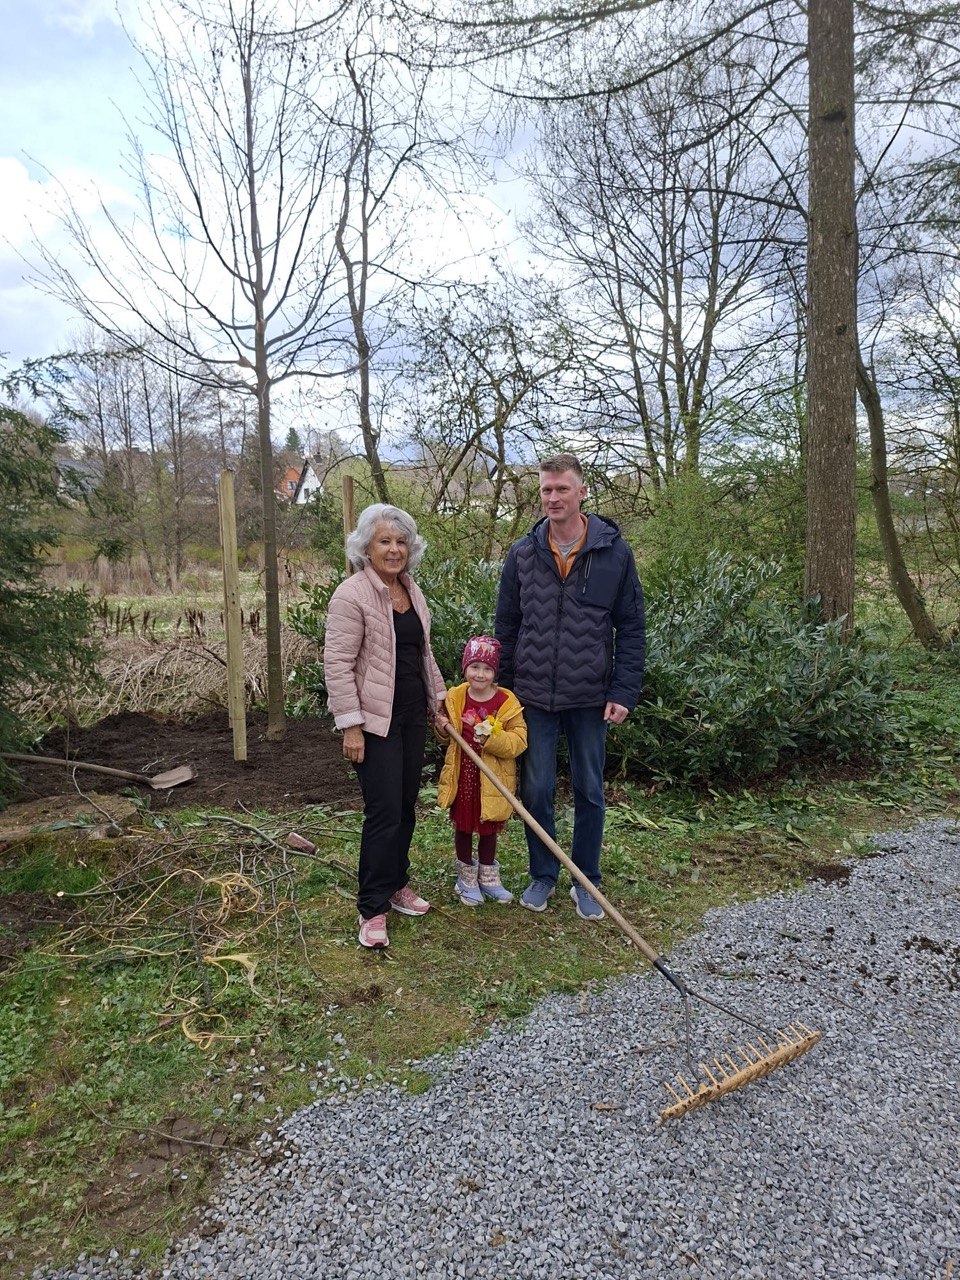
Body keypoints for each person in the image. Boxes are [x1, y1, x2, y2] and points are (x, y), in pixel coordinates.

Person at [494, 454, 645, 919]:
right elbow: (506, 626)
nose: (553, 497)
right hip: (533, 695)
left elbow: (631, 627)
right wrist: (502, 692)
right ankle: (543, 874)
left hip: (590, 695)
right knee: (537, 790)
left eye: (562, 489)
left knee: (589, 790)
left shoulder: (613, 553)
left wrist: (623, 691)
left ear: (582, 492)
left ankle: (586, 879)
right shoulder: (523, 554)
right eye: (546, 489)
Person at [324, 504, 447, 949]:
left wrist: (439, 705)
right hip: (375, 723)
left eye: (401, 542)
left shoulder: (411, 590)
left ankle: (396, 884)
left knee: (406, 806)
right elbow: (337, 665)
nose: (394, 549)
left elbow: (423, 655)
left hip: (412, 716)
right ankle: (372, 907)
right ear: (366, 547)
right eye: (384, 541)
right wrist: (350, 726)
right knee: (383, 812)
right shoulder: (351, 595)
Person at [435, 636, 527, 907]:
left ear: (495, 672)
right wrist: (441, 729)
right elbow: (446, 737)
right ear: (465, 667)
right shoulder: (455, 697)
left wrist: (492, 740)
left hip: (493, 777)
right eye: (474, 666)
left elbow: (519, 741)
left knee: (488, 827)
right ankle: (466, 878)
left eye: (487, 669)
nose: (480, 674)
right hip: (463, 776)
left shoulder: (507, 701)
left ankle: (488, 877)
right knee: (464, 826)